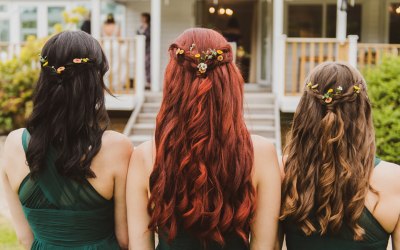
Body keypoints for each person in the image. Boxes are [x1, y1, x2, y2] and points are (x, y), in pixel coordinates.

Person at [126, 28, 281, 250]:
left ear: (173, 84)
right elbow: (265, 246)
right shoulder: (262, 153)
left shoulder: (144, 156)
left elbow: (138, 246)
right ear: (230, 82)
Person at [0, 31, 132, 249]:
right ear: (94, 82)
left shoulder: (14, 144)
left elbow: (25, 239)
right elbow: (125, 239)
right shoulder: (117, 148)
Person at [280, 62, 400, 250]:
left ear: (304, 110)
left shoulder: (283, 171)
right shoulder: (393, 179)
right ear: (363, 111)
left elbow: (267, 244)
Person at [136, 13, 151, 88]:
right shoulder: (140, 27)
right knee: (142, 65)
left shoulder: (150, 27)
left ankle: (149, 82)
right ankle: (142, 83)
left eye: (143, 17)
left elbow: (148, 36)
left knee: (148, 65)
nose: (142, 19)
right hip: (141, 50)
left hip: (148, 49)